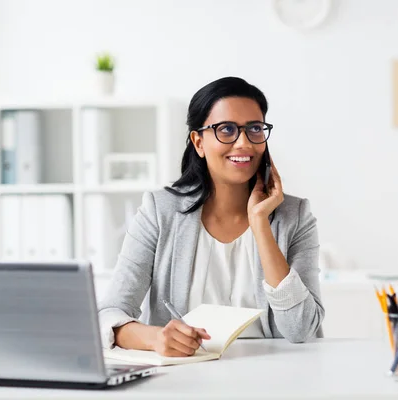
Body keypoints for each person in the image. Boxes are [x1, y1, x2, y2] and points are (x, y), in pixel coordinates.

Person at [98, 76, 324, 357]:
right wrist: (155, 338)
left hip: (273, 379)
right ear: (198, 142)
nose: (243, 143)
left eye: (254, 128)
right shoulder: (160, 211)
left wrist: (260, 224)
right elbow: (109, 314)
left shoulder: (296, 216)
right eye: (226, 129)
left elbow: (302, 329)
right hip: (184, 379)